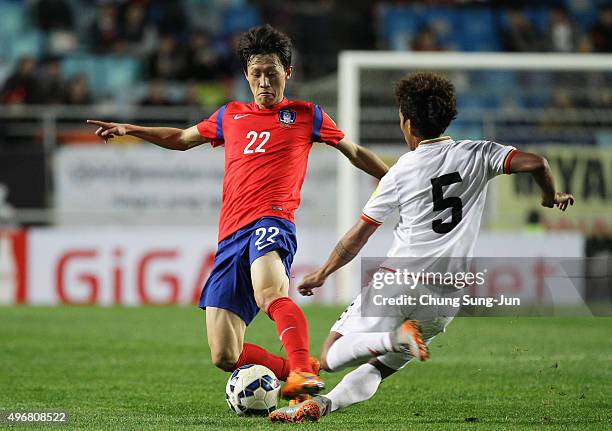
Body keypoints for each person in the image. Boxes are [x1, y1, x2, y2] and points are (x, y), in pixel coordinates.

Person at [87, 25, 388, 400]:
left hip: (272, 221)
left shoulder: (306, 114)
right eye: (256, 73)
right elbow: (182, 139)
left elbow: (355, 152)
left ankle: (297, 372)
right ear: (246, 75)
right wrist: (131, 129)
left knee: (268, 292)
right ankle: (303, 369)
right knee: (224, 354)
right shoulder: (230, 115)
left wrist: (394, 178)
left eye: (272, 73)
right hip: (231, 235)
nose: (264, 81)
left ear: (287, 74)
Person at [269, 72, 575, 422]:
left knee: (332, 352)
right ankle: (323, 405)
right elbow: (538, 163)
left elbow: (358, 235)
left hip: (401, 279)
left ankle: (393, 338)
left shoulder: (401, 171)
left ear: (408, 123)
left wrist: (322, 273)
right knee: (383, 367)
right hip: (447, 297)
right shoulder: (480, 152)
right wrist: (550, 197)